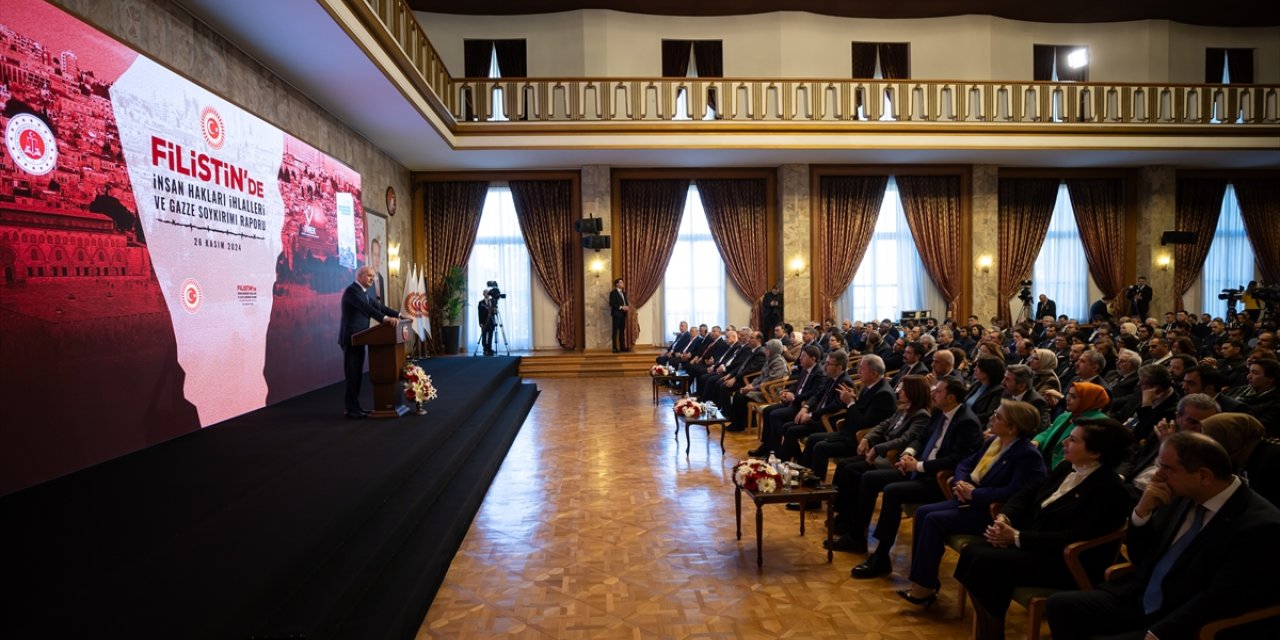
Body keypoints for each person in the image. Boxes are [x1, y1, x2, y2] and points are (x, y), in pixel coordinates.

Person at [1045, 432, 1280, 640]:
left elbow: (1221, 598)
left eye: (1167, 468)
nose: (1157, 476)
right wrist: (1142, 512)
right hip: (1141, 598)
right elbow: (1140, 556)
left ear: (1204, 476)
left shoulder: (1260, 526)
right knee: (1061, 605)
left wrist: (1159, 632)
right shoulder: (1177, 493)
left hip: (1187, 618)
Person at [958, 418, 1135, 640]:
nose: (1064, 443)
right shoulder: (1066, 467)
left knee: (986, 562)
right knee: (972, 552)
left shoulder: (1109, 489)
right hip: (1038, 546)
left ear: (1095, 453)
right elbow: (1027, 493)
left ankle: (991, 634)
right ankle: (989, 631)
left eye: (1072, 439)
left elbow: (1075, 536)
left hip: (1070, 561)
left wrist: (1017, 537)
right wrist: (1005, 517)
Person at [897, 400, 1048, 607]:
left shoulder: (1027, 454)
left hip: (991, 511)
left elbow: (1017, 492)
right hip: (970, 500)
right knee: (923, 512)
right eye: (994, 412)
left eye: (998, 416)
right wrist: (961, 482)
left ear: (1013, 428)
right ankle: (925, 579)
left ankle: (924, 587)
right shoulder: (994, 441)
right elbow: (966, 463)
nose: (992, 418)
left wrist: (975, 493)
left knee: (933, 519)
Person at [845, 378, 983, 578]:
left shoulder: (966, 422)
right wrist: (908, 453)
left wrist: (917, 465)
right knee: (869, 478)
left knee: (893, 492)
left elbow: (956, 459)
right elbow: (920, 438)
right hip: (918, 469)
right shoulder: (938, 412)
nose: (933, 393)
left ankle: (882, 556)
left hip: (936, 480)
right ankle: (857, 535)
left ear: (951, 397)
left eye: (938, 391)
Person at [339, 265, 403, 419]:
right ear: (359, 276)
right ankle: (351, 409)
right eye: (369, 276)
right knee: (352, 375)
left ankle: (356, 407)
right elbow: (367, 309)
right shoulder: (352, 291)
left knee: (357, 375)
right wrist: (386, 320)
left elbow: (379, 307)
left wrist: (401, 315)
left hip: (360, 338)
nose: (372, 279)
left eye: (373, 276)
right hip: (351, 339)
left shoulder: (364, 293)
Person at [1033, 381, 1110, 470]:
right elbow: (1048, 431)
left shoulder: (1098, 423)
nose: (1067, 399)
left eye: (1073, 397)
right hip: (1042, 463)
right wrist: (1037, 441)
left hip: (1064, 470)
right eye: (1068, 394)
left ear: (1087, 400)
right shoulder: (1066, 415)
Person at [609, 278, 630, 353]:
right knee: (615, 331)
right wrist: (621, 307)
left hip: (623, 315)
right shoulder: (613, 293)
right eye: (621, 282)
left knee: (622, 331)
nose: (622, 283)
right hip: (616, 314)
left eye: (622, 282)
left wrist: (627, 306)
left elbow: (625, 302)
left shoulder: (623, 293)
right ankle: (614, 348)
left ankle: (622, 347)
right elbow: (612, 303)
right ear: (617, 284)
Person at [477, 289, 497, 356]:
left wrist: (494, 310)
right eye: (485, 293)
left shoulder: (493, 301)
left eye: (487, 293)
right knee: (484, 336)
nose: (486, 294)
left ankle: (489, 349)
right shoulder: (481, 303)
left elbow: (495, 313)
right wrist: (480, 323)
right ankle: (485, 349)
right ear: (483, 294)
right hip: (484, 322)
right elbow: (479, 314)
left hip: (491, 322)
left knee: (490, 336)